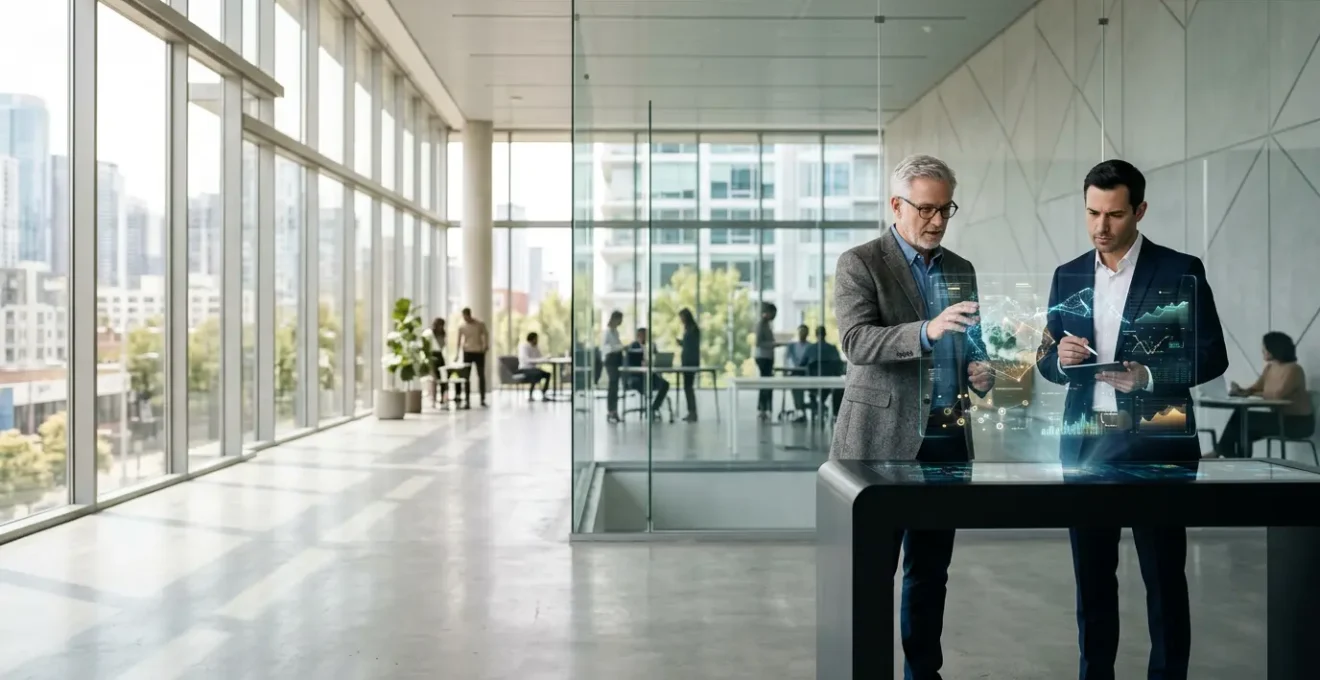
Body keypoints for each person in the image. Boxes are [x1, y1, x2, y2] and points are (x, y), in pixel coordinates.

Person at [1036, 159, 1228, 680]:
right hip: (1085, 446)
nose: (1102, 227)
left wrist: (1148, 374)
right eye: (1093, 213)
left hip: (1157, 446)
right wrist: (1060, 361)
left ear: (1140, 210)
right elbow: (1045, 361)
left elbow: (1211, 354)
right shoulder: (1067, 274)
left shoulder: (1180, 270)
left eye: (1115, 214)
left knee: (1165, 580)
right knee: (1092, 583)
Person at [831, 153, 994, 680]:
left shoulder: (962, 268)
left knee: (930, 574)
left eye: (947, 209)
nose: (938, 221)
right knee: (871, 573)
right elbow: (856, 342)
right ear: (896, 205)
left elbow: (971, 341)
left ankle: (925, 674)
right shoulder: (860, 263)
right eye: (926, 209)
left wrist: (980, 368)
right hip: (878, 441)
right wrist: (926, 331)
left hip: (945, 440)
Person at [1213, 331, 1314, 458]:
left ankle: (1221, 453)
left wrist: (1256, 393)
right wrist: (1241, 391)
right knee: (1241, 419)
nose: (1263, 351)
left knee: (1246, 421)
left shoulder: (1294, 369)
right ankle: (1237, 461)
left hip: (1297, 423)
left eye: (1265, 348)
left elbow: (1277, 395)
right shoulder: (1270, 368)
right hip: (1279, 419)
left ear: (1275, 349)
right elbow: (1254, 389)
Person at [624, 327, 669, 420]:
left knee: (665, 384)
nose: (646, 337)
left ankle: (654, 407)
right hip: (637, 377)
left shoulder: (650, 346)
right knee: (646, 385)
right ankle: (652, 409)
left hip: (649, 375)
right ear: (638, 335)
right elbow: (632, 363)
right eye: (644, 335)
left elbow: (653, 359)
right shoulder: (634, 346)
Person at [802, 326, 845, 419]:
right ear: (825, 334)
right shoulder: (832, 348)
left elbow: (802, 363)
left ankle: (813, 405)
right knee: (839, 388)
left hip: (813, 382)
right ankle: (835, 414)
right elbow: (839, 365)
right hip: (829, 382)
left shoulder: (810, 349)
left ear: (815, 335)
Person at [455, 307, 490, 409]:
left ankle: (482, 399)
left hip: (479, 352)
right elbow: (458, 340)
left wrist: (485, 345)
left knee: (481, 375)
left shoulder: (480, 324)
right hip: (467, 352)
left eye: (466, 316)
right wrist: (457, 354)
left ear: (469, 314)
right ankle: (467, 400)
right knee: (466, 377)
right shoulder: (462, 326)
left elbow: (486, 334)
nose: (465, 318)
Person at [754, 303, 778, 421]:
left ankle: (767, 408)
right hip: (763, 357)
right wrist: (772, 345)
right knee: (765, 383)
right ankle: (762, 408)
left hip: (768, 356)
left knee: (768, 383)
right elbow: (758, 343)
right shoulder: (761, 325)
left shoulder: (768, 325)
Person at [678, 308, 701, 422]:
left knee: (688, 387)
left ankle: (692, 412)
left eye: (682, 317)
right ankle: (691, 411)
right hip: (686, 361)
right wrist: (681, 343)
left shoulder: (693, 329)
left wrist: (684, 343)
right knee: (687, 387)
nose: (681, 320)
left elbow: (692, 346)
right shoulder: (689, 329)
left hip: (690, 362)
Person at [602, 310, 625, 424]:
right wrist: (621, 347)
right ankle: (611, 411)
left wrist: (621, 347)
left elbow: (617, 345)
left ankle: (614, 410)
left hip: (617, 359)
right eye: (620, 319)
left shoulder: (615, 332)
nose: (621, 322)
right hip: (611, 360)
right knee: (613, 386)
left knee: (615, 386)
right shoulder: (608, 332)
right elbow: (610, 347)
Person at [785, 324, 812, 419]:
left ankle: (800, 409)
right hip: (795, 371)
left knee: (800, 383)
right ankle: (799, 408)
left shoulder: (810, 346)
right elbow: (788, 359)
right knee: (795, 383)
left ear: (807, 334)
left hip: (806, 373)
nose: (802, 334)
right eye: (800, 332)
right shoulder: (792, 346)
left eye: (804, 332)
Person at [516, 332, 551, 401]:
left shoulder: (536, 347)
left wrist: (546, 358)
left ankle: (544, 394)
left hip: (533, 369)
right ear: (532, 339)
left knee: (547, 374)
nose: (537, 341)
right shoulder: (524, 346)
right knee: (536, 374)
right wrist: (539, 360)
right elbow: (526, 360)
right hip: (524, 369)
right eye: (536, 339)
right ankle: (530, 395)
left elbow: (539, 357)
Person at [430, 318, 448, 408]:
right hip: (432, 356)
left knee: (443, 378)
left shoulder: (443, 334)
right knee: (434, 379)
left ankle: (442, 398)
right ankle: (433, 399)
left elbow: (443, 345)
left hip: (440, 355)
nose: (441, 327)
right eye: (440, 325)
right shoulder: (430, 334)